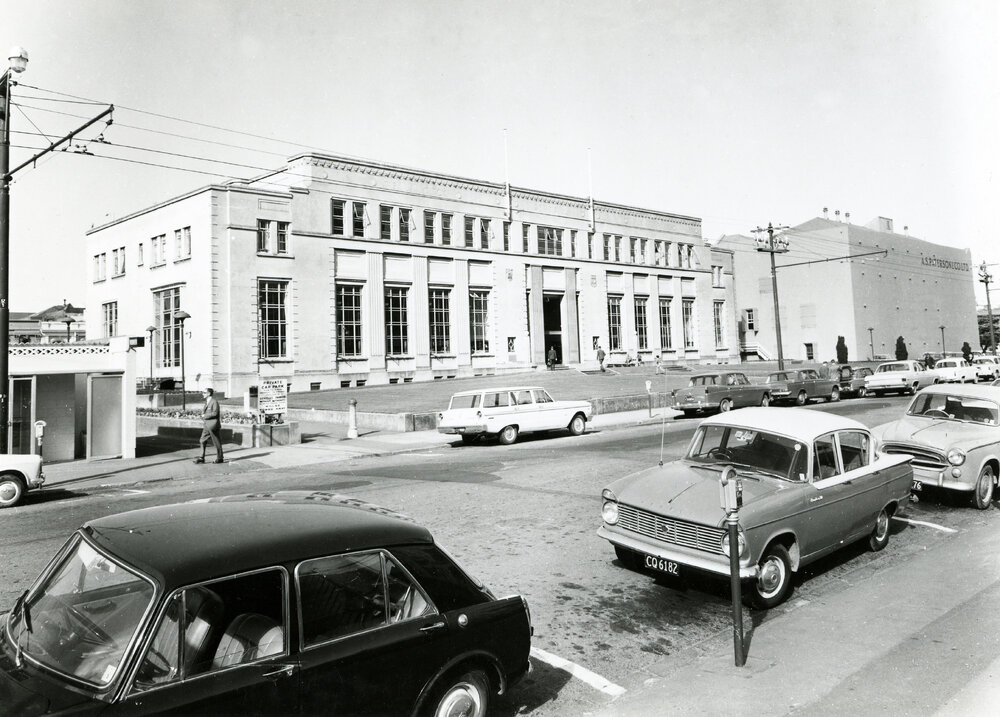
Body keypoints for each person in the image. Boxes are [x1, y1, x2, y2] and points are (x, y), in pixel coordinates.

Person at [194, 387, 224, 464]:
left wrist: (205, 416)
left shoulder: (214, 402)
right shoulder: (206, 402)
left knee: (216, 442)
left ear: (209, 393)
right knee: (202, 440)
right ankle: (201, 457)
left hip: (213, 425)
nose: (202, 394)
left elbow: (215, 413)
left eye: (204, 393)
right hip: (207, 425)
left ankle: (220, 458)